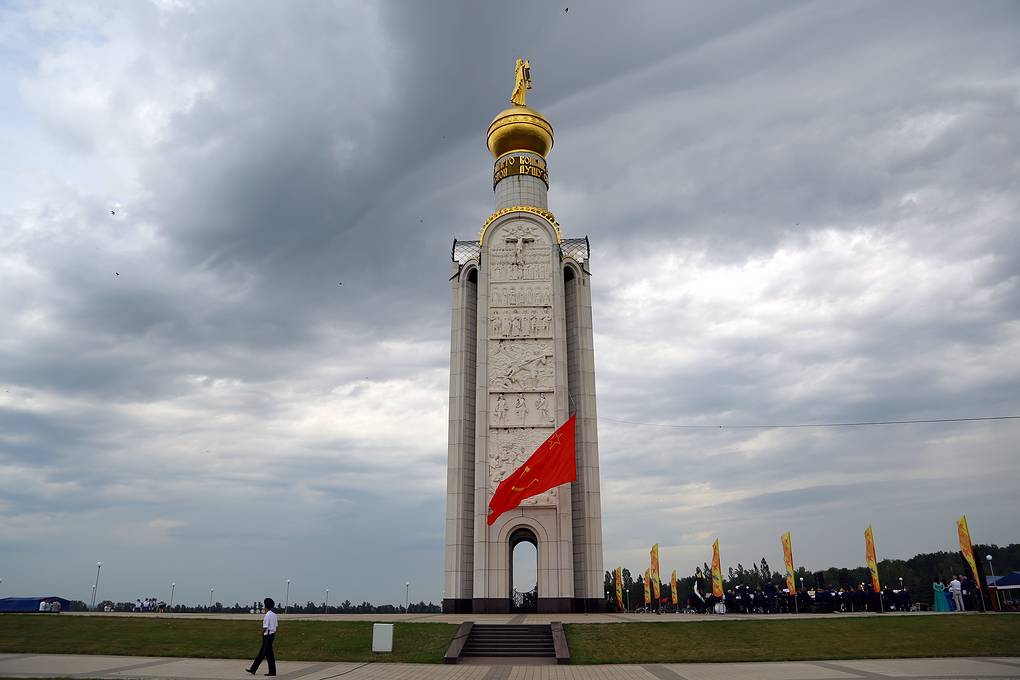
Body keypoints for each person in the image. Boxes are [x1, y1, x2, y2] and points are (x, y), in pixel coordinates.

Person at [246, 597, 278, 676]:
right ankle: (253, 669)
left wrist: (262, 634)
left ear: (266, 605)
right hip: (272, 635)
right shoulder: (274, 615)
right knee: (265, 653)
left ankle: (271, 671)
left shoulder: (267, 615)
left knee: (266, 654)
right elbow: (275, 626)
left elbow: (265, 627)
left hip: (267, 636)